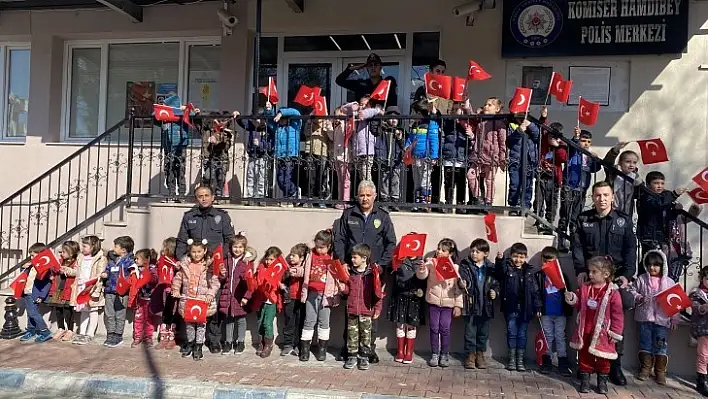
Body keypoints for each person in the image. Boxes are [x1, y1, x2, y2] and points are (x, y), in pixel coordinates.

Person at [572, 181, 637, 386]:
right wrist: (581, 271)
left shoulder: (623, 221)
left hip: (615, 280)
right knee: (586, 321)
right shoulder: (583, 219)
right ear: (593, 197)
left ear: (612, 197)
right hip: (591, 279)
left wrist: (627, 274)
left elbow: (630, 250)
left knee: (614, 322)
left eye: (605, 195)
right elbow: (578, 248)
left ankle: (614, 366)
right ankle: (585, 366)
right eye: (598, 195)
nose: (602, 199)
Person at [334, 180, 397, 363]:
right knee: (352, 310)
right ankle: (349, 349)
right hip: (352, 270)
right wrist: (342, 261)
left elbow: (391, 243)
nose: (365, 198)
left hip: (373, 273)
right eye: (362, 195)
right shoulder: (348, 214)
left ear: (375, 196)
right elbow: (339, 239)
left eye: (368, 195)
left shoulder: (383, 217)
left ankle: (369, 350)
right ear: (357, 196)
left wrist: (382, 265)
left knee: (371, 311)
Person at [176, 185, 236, 354]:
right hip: (194, 269)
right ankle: (191, 341)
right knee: (190, 303)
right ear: (196, 198)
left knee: (212, 304)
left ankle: (214, 340)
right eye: (200, 196)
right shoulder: (189, 216)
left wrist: (217, 259)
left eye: (206, 195)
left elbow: (229, 241)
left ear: (213, 197)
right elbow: (181, 241)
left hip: (213, 269)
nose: (203, 198)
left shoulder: (221, 217)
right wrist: (183, 261)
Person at [565, 256, 624, 394]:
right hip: (585, 329)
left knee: (603, 358)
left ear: (605, 274)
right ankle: (585, 381)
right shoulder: (585, 288)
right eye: (589, 271)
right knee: (584, 356)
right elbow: (579, 301)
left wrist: (616, 332)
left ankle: (602, 382)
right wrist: (573, 298)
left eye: (594, 272)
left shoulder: (612, 293)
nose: (590, 274)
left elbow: (618, 314)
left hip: (603, 332)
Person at [632, 250, 679, 384]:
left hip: (662, 321)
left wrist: (674, 318)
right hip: (644, 319)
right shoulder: (641, 279)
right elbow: (632, 291)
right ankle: (645, 368)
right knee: (645, 343)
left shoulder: (669, 282)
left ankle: (660, 371)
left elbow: (675, 301)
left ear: (662, 266)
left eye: (656, 265)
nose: (652, 268)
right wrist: (640, 298)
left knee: (661, 345)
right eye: (649, 265)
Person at [495, 242, 542, 372]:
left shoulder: (529, 271)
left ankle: (520, 360)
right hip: (511, 307)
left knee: (522, 334)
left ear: (525, 257)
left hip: (526, 309)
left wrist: (538, 307)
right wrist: (500, 260)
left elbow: (535, 291)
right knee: (512, 333)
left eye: (521, 257)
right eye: (515, 256)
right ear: (510, 256)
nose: (518, 260)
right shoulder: (507, 269)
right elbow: (498, 273)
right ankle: (512, 359)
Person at [416, 238, 463, 368]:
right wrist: (421, 269)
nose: (439, 252)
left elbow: (458, 288)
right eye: (438, 248)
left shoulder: (455, 267)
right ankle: (435, 353)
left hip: (448, 304)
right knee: (434, 328)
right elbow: (422, 276)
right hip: (433, 302)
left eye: (443, 250)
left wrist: (458, 305)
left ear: (450, 254)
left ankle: (444, 354)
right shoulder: (431, 262)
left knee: (445, 329)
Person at [172, 238, 219, 361]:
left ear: (204, 251)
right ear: (189, 251)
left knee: (201, 325)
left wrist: (210, 294)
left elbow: (215, 283)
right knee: (189, 324)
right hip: (189, 299)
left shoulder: (208, 266)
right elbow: (178, 279)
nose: (196, 254)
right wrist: (176, 290)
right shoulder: (185, 265)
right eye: (193, 252)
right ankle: (190, 343)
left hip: (203, 301)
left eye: (199, 251)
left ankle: (198, 346)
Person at [298, 230, 340, 362]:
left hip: (326, 295)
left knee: (324, 321)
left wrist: (338, 289)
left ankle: (322, 349)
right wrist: (296, 271)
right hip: (312, 292)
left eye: (322, 247)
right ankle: (305, 349)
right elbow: (304, 269)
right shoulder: (311, 255)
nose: (319, 249)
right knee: (309, 320)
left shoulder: (332, 257)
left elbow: (337, 276)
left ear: (328, 246)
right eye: (317, 246)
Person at [636, 171, 689, 274]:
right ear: (648, 185)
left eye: (662, 183)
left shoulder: (664, 196)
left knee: (661, 263)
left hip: (662, 236)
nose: (660, 186)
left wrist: (675, 208)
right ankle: (641, 283)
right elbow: (657, 204)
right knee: (648, 261)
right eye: (656, 183)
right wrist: (674, 194)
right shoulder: (645, 196)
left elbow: (666, 212)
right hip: (649, 236)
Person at [558, 127, 601, 250]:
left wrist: (595, 160)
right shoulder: (574, 151)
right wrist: (575, 138)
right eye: (583, 140)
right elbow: (571, 147)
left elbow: (595, 169)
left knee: (576, 217)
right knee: (565, 215)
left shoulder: (590, 154)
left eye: (588, 141)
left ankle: (573, 243)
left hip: (582, 189)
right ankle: (561, 242)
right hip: (569, 187)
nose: (586, 144)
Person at [341, 244, 383, 370]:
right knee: (352, 335)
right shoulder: (351, 274)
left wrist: (378, 308)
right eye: (352, 257)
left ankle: (364, 357)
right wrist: (342, 289)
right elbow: (348, 290)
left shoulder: (372, 275)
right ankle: (352, 356)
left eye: (355, 258)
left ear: (364, 258)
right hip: (352, 310)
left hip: (366, 310)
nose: (352, 260)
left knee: (366, 335)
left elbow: (378, 293)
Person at [458, 238, 498, 370]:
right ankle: (470, 354)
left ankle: (480, 353)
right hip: (471, 304)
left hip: (485, 306)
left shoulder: (491, 268)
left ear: (485, 254)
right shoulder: (465, 265)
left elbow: (496, 282)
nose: (474, 254)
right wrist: (462, 283)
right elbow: (462, 278)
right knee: (470, 331)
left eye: (477, 251)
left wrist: (495, 291)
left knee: (483, 332)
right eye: (472, 251)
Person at [218, 233, 255, 355]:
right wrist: (222, 274)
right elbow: (223, 279)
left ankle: (240, 342)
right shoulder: (226, 260)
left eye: (240, 247)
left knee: (241, 319)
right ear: (231, 247)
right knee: (229, 319)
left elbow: (251, 283)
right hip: (228, 295)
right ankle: (228, 342)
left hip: (240, 296)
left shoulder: (247, 262)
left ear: (244, 248)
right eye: (235, 247)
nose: (237, 249)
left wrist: (246, 297)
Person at [538, 246, 573, 376]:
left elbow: (568, 293)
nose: (547, 264)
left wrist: (569, 299)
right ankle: (547, 360)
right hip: (546, 312)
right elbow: (536, 293)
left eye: (550, 261)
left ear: (556, 261)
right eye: (545, 261)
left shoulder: (562, 276)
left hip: (560, 313)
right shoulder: (540, 276)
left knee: (560, 336)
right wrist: (537, 308)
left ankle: (562, 360)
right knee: (547, 336)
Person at [467, 97, 506, 208]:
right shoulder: (481, 122)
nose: (486, 106)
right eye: (486, 104)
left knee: (489, 180)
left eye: (490, 105)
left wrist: (502, 158)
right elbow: (470, 113)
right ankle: (478, 197)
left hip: (492, 156)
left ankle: (488, 201)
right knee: (470, 174)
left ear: (497, 109)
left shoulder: (499, 123)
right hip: (479, 154)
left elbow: (503, 141)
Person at [157, 95, 196, 203]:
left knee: (180, 170)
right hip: (168, 146)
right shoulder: (165, 114)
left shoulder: (182, 113)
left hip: (180, 145)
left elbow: (192, 114)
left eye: (166, 105)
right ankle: (171, 194)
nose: (164, 107)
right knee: (169, 170)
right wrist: (164, 109)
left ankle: (181, 194)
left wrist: (180, 109)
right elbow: (154, 116)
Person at [70, 235, 107, 345]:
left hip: (92, 288)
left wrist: (96, 291)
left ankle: (89, 334)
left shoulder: (101, 259)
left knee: (93, 311)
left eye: (85, 246)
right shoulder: (80, 257)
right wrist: (67, 270)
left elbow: (99, 276)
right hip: (81, 287)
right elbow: (76, 271)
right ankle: (82, 332)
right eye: (82, 246)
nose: (82, 248)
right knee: (83, 311)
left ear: (93, 246)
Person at [100, 236, 135, 349]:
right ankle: (110, 334)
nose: (113, 248)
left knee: (120, 314)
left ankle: (118, 335)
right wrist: (105, 273)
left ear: (123, 249)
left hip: (122, 293)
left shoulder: (130, 262)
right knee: (109, 313)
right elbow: (108, 269)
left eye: (116, 246)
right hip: (110, 290)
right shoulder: (113, 259)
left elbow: (133, 276)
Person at [250, 246, 283, 358]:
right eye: (267, 259)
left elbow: (280, 284)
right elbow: (255, 282)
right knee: (260, 322)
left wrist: (280, 285)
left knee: (267, 323)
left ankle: (268, 345)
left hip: (271, 301)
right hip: (260, 300)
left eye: (271, 259)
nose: (268, 262)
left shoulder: (279, 271)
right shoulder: (261, 268)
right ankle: (261, 343)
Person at [407, 100, 440, 210]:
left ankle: (425, 203)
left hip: (426, 157)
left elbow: (434, 140)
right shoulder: (415, 125)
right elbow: (410, 139)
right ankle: (417, 203)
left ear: (420, 112)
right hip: (415, 157)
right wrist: (406, 147)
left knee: (425, 181)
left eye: (414, 112)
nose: (413, 115)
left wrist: (434, 156)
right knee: (416, 180)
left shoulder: (431, 124)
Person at [236, 106, 272, 204]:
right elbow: (242, 123)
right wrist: (237, 116)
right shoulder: (251, 127)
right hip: (252, 156)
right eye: (253, 119)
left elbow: (270, 145)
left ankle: (261, 197)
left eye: (257, 119)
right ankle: (250, 196)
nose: (255, 121)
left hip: (262, 157)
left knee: (262, 177)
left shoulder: (267, 129)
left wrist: (260, 144)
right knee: (250, 177)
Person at [535, 123, 567, 234]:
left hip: (553, 179)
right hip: (541, 176)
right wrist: (544, 117)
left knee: (551, 203)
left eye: (556, 137)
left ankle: (549, 224)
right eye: (551, 136)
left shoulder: (561, 146)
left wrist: (557, 146)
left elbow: (563, 158)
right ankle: (538, 220)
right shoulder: (543, 142)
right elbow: (542, 126)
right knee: (538, 200)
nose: (553, 139)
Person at [19, 243, 53, 344]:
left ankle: (45, 331)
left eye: (33, 255)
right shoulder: (30, 266)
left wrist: (41, 296)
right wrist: (23, 267)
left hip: (35, 294)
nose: (31, 257)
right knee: (30, 313)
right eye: (31, 255)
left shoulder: (44, 268)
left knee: (33, 313)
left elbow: (47, 283)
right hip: (27, 292)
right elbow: (24, 276)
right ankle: (31, 330)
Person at [268, 106, 302, 204]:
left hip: (290, 156)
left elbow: (296, 112)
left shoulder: (294, 126)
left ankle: (291, 194)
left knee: (286, 178)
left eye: (282, 119)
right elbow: (270, 121)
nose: (280, 121)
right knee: (279, 179)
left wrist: (281, 113)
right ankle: (292, 193)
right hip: (279, 156)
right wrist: (269, 110)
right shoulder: (277, 128)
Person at [47, 241, 79, 342]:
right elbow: (54, 270)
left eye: (64, 252)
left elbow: (76, 272)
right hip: (58, 288)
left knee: (68, 310)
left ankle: (70, 330)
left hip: (68, 289)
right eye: (61, 252)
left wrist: (66, 270)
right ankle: (61, 328)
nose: (61, 254)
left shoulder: (76, 261)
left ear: (71, 252)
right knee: (58, 309)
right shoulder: (60, 260)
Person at [374, 106, 405, 210]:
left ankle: (395, 199)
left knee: (395, 180)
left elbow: (404, 146)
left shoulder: (401, 131)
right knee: (384, 180)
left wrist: (399, 137)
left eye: (395, 119)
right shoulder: (383, 131)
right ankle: (384, 199)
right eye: (391, 118)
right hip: (384, 159)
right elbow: (376, 135)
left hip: (396, 160)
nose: (393, 121)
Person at [507, 116, 540, 210]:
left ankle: (525, 206)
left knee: (528, 186)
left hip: (529, 161)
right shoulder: (511, 125)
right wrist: (519, 130)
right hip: (515, 161)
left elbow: (537, 135)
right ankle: (513, 206)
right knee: (515, 184)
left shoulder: (532, 124)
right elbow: (509, 141)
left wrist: (530, 124)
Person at [281, 243, 308, 356]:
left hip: (302, 300)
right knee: (289, 322)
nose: (291, 258)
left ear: (302, 258)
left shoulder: (305, 271)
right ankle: (288, 345)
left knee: (301, 323)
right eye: (290, 255)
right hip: (290, 299)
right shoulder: (288, 269)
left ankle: (299, 345)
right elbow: (282, 281)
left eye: (294, 255)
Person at [153, 237, 179, 350]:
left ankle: (172, 337)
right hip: (163, 291)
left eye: (165, 247)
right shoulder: (163, 260)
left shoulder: (176, 261)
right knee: (164, 315)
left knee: (173, 314)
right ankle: (163, 337)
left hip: (173, 291)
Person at [602, 142, 642, 215]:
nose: (631, 165)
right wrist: (615, 150)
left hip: (627, 209)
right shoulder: (613, 172)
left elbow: (640, 191)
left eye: (634, 162)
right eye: (628, 162)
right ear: (620, 162)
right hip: (611, 207)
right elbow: (607, 163)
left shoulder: (635, 176)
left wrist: (639, 182)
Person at [200, 112, 233, 199]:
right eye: (213, 121)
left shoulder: (224, 132)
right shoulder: (207, 131)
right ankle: (208, 194)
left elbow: (227, 147)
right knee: (208, 176)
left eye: (217, 120)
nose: (215, 123)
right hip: (209, 158)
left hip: (221, 157)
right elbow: (198, 122)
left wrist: (220, 141)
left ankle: (218, 195)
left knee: (220, 177)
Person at [131, 248, 158, 348]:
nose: (135, 261)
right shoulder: (136, 269)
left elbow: (155, 279)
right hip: (140, 298)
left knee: (149, 319)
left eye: (137, 259)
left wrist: (149, 277)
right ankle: (137, 337)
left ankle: (148, 337)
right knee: (138, 318)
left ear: (146, 260)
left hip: (150, 299)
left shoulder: (151, 268)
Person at [690, 266, 708, 396]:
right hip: (703, 329)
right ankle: (701, 379)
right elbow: (695, 308)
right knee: (703, 355)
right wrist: (703, 307)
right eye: (707, 278)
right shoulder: (697, 293)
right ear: (702, 279)